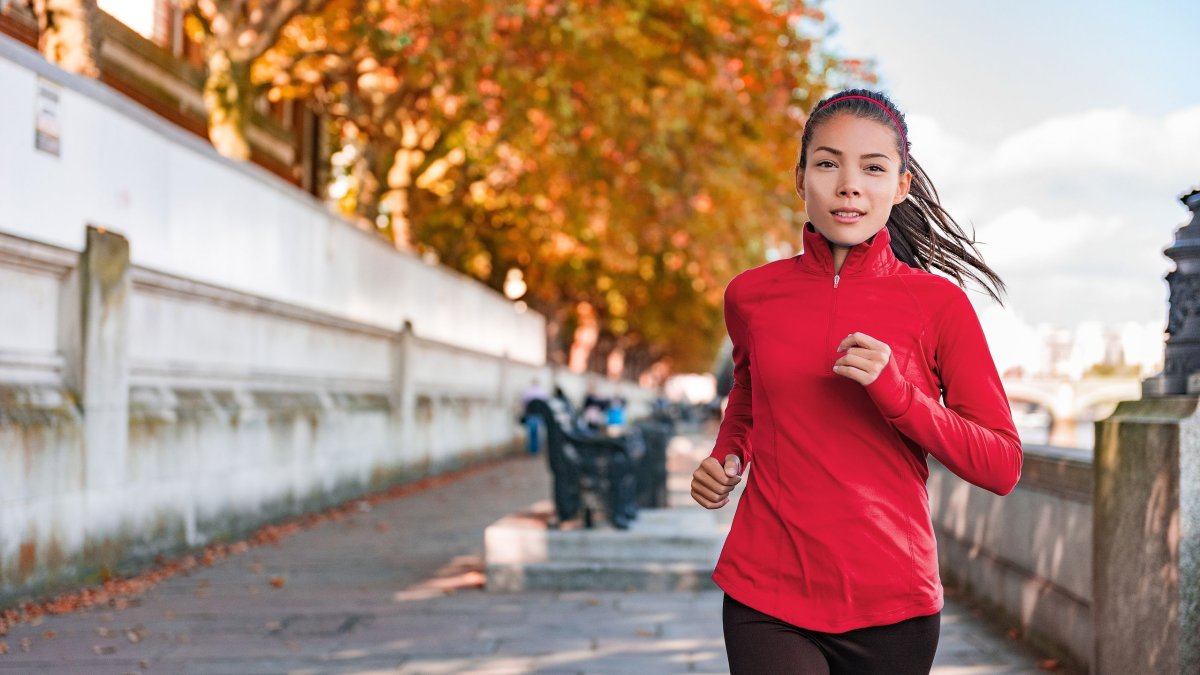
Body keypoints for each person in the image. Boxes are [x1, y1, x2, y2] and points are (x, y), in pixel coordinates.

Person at [689, 89, 1023, 675]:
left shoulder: (939, 306)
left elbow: (1000, 465)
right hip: (765, 588)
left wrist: (899, 394)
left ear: (900, 187)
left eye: (873, 168)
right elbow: (748, 395)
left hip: (892, 602)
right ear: (800, 179)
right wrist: (728, 456)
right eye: (828, 163)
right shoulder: (751, 295)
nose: (849, 184)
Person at [520, 378, 548, 456]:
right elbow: (546, 404)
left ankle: (531, 450)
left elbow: (523, 403)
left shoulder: (527, 392)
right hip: (539, 415)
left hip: (530, 414)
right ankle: (536, 450)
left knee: (531, 433)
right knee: (538, 433)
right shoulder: (542, 392)